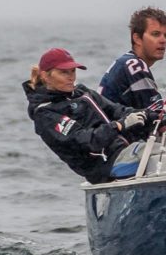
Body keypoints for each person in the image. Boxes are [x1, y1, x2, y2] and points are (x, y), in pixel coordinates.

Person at [24, 47, 156, 184]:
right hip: (105, 168)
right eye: (63, 72)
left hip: (125, 150)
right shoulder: (45, 114)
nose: (71, 77)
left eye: (73, 71)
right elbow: (86, 140)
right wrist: (118, 125)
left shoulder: (83, 93)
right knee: (162, 158)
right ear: (46, 76)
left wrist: (153, 116)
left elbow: (118, 110)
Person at [98, 6, 166, 124]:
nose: (163, 40)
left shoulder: (126, 61)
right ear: (137, 38)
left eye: (165, 35)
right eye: (156, 34)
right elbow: (159, 123)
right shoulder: (135, 66)